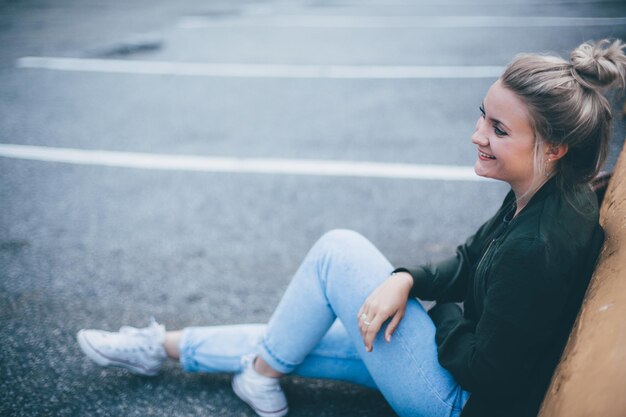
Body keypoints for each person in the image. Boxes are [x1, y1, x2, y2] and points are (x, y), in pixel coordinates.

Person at [76, 39, 626, 417]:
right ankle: (162, 347)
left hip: (456, 402)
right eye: (482, 113)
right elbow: (466, 261)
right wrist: (405, 279)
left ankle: (255, 372)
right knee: (300, 336)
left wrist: (438, 314)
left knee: (338, 252)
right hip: (454, 371)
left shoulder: (540, 244)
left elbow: (489, 373)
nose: (477, 133)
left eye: (499, 128)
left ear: (553, 147)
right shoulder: (550, 192)